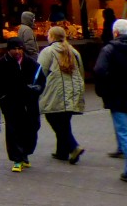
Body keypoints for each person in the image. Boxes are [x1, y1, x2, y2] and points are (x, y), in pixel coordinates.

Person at [0, 37, 43, 173]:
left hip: (29, 102)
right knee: (13, 130)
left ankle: (25, 153)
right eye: (14, 49)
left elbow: (41, 80)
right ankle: (17, 158)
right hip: (11, 101)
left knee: (32, 127)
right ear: (9, 50)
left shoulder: (30, 63)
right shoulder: (1, 64)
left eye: (19, 48)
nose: (17, 51)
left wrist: (37, 89)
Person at [38, 26, 85, 164]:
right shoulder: (74, 51)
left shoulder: (48, 51)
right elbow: (81, 71)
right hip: (73, 91)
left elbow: (40, 71)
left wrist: (36, 88)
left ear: (52, 37)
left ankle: (73, 146)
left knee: (53, 118)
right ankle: (62, 152)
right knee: (64, 121)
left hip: (55, 91)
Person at [93, 18, 127, 178]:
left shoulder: (109, 49)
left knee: (123, 131)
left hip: (118, 95)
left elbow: (100, 70)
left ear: (115, 32)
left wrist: (105, 87)